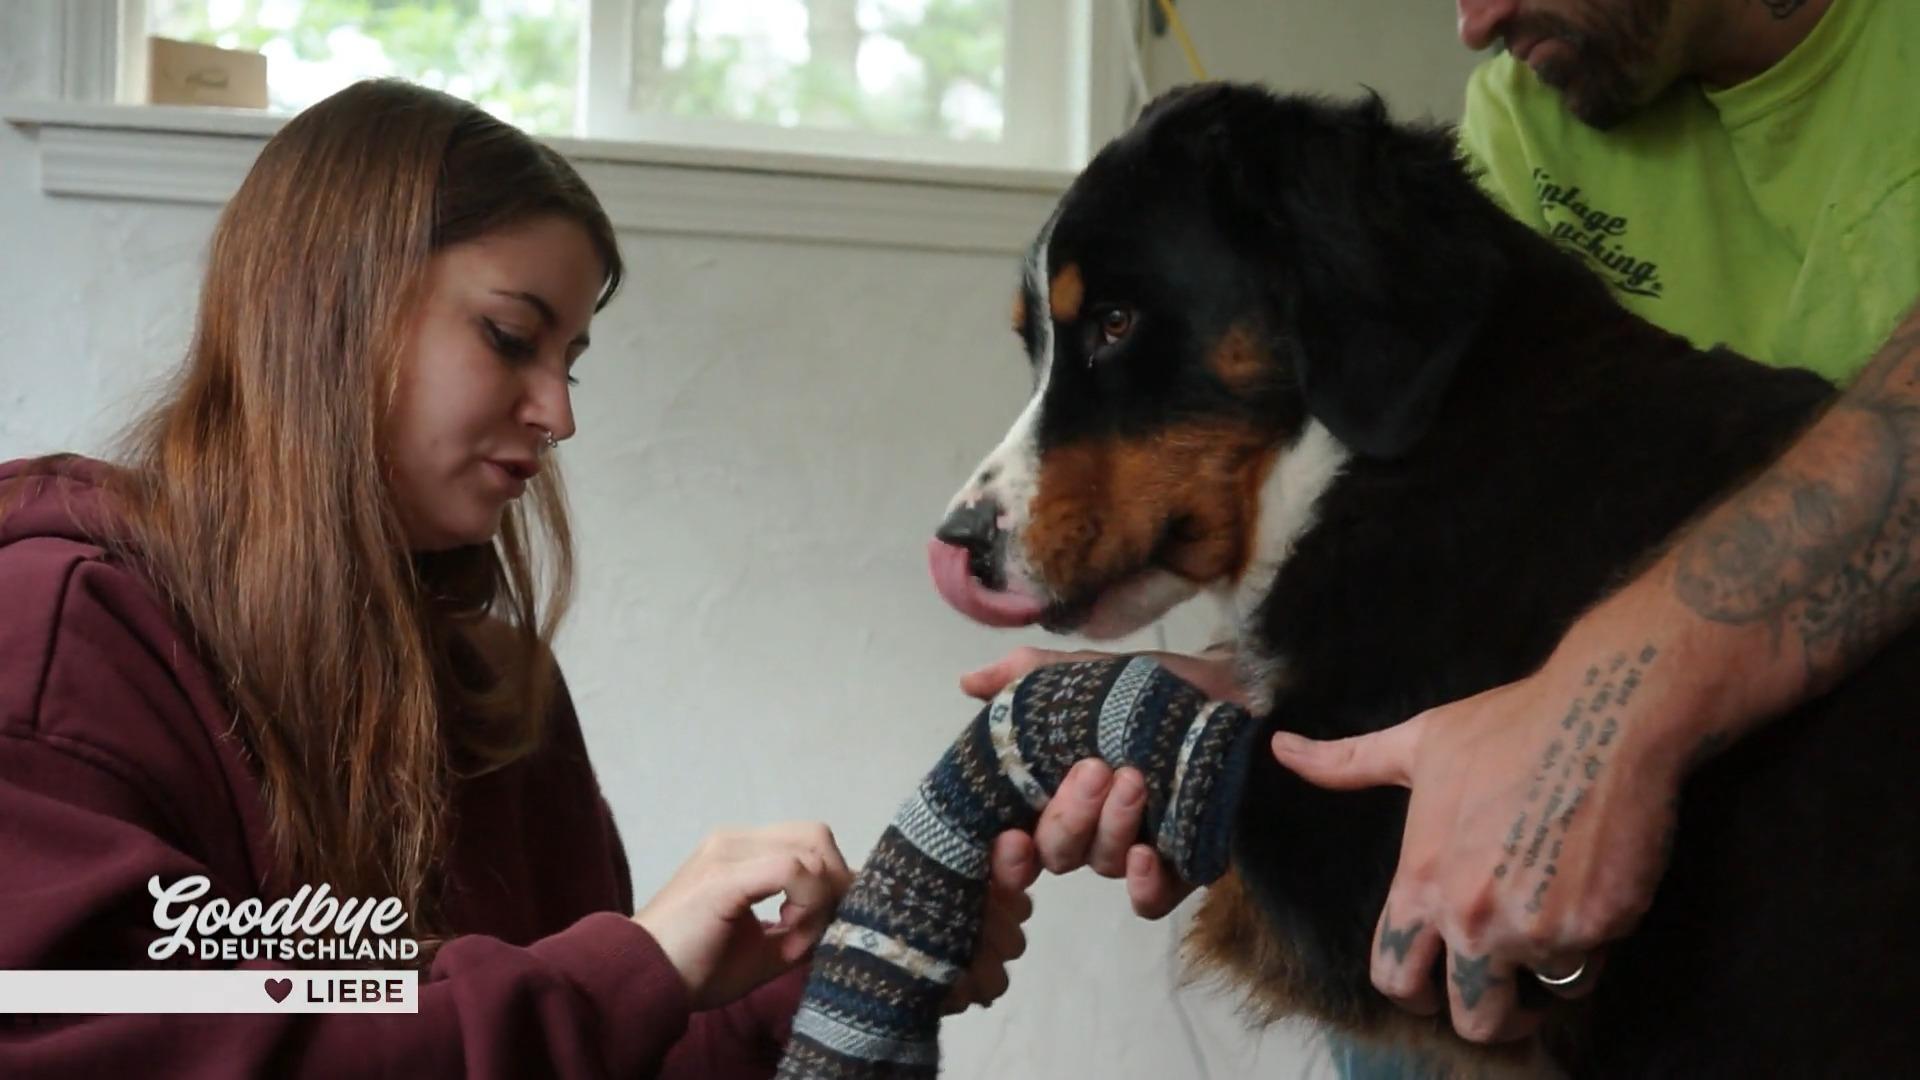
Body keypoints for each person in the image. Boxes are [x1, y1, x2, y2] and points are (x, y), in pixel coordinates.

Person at [0, 78, 1032, 1078]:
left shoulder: (498, 691)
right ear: (329, 308)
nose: (559, 412)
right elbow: (147, 1041)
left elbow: (571, 1048)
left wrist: (844, 982)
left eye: (570, 360)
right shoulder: (64, 632)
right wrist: (628, 970)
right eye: (509, 338)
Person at [975, 0, 1920, 1062]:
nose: (1473, 22)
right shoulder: (1538, 99)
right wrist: (1268, 705)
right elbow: (1465, 534)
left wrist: (1611, 708)